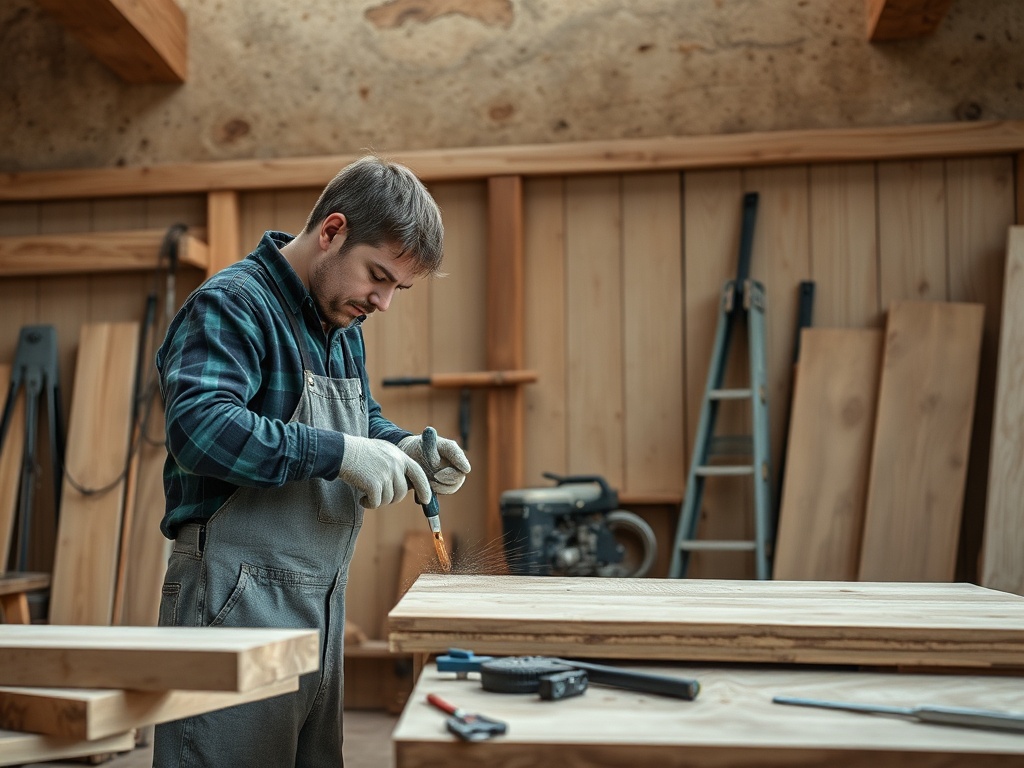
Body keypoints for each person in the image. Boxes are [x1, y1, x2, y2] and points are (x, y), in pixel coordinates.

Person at [152, 155, 471, 767]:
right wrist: (340, 453)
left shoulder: (340, 322)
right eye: (377, 276)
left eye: (396, 289)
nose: (381, 303)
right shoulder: (232, 305)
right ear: (332, 231)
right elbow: (200, 429)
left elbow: (360, 420)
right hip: (235, 599)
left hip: (319, 599)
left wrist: (401, 447)